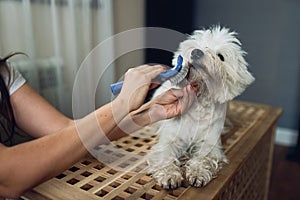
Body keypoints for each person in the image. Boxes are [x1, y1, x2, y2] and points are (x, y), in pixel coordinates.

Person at [0, 53, 197, 198]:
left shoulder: (4, 72)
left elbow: (66, 129)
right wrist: (121, 104)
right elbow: (8, 175)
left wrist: (151, 112)